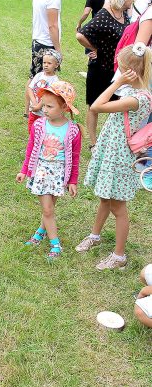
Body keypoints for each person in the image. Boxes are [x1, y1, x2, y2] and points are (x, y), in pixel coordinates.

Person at [76, 44, 152, 270]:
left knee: (118, 207)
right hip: (111, 150)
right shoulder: (131, 92)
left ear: (132, 72)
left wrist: (117, 83)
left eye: (121, 68)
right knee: (105, 198)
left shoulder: (138, 99)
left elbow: (97, 107)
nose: (118, 72)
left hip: (120, 156)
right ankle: (95, 235)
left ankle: (119, 256)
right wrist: (120, 84)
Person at [17, 81, 82, 260]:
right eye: (43, 105)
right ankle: (55, 244)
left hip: (59, 174)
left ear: (64, 107)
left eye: (49, 106)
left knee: (49, 209)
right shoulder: (39, 126)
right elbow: (30, 149)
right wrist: (24, 170)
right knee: (47, 210)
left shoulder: (73, 131)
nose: (44, 109)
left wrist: (73, 181)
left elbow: (75, 158)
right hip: (41, 172)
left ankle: (40, 232)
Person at [76, 0, 138, 148]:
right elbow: (81, 35)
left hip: (115, 68)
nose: (132, 1)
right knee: (94, 105)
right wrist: (93, 48)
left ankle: (113, 139)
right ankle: (94, 143)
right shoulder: (104, 15)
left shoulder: (122, 13)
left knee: (117, 103)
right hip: (100, 68)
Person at [24, 0, 65, 118]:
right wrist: (58, 50)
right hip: (47, 44)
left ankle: (28, 109)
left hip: (37, 41)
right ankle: (38, 111)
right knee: (45, 81)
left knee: (33, 77)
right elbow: (52, 25)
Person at [27, 50, 61, 132]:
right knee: (31, 130)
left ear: (56, 65)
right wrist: (34, 102)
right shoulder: (39, 75)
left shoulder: (55, 81)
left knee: (42, 132)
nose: (46, 65)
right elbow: (30, 88)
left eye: (49, 63)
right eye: (44, 62)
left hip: (44, 114)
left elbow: (48, 96)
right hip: (33, 111)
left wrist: (38, 106)